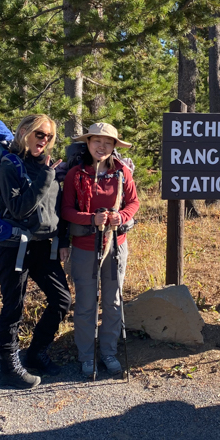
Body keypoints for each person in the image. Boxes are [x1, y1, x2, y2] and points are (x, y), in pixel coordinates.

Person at [0, 114, 72, 388]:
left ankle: (36, 353)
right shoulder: (9, 165)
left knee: (62, 300)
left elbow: (56, 209)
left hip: (43, 246)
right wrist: (47, 177)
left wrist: (63, 240)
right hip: (15, 247)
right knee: (13, 307)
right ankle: (9, 367)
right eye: (40, 134)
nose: (45, 141)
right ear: (25, 131)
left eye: (49, 137)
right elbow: (18, 208)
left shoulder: (48, 167)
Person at [61, 122, 140, 378]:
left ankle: (108, 351)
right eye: (97, 141)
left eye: (107, 142)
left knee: (113, 300)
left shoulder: (121, 172)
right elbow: (67, 211)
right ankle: (87, 355)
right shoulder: (76, 174)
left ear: (114, 146)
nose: (102, 146)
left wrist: (122, 216)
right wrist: (90, 219)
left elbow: (133, 202)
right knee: (86, 303)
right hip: (84, 247)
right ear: (88, 143)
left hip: (116, 246)